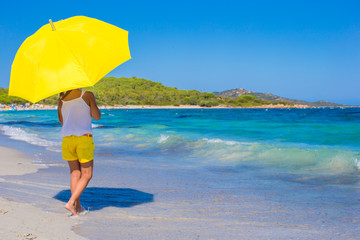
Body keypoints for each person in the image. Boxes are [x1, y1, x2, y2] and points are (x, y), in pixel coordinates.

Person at [57, 88, 101, 216]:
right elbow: (97, 117)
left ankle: (77, 207)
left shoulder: (61, 100)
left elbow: (62, 122)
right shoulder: (87, 95)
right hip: (83, 139)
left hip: (67, 140)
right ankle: (71, 203)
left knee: (75, 174)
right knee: (87, 174)